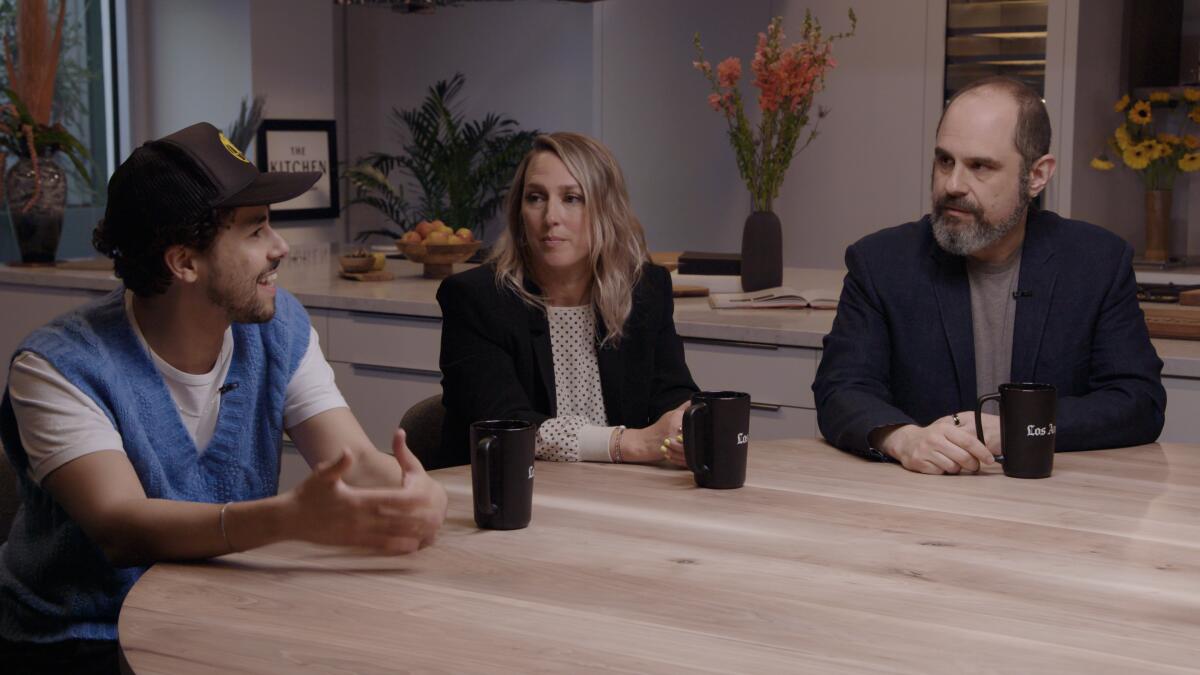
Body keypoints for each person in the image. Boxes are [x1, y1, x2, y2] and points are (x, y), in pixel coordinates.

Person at [0, 123, 447, 672]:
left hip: (220, 616)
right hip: (81, 644)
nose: (281, 248)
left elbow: (348, 462)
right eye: (256, 230)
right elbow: (120, 527)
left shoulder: (276, 327)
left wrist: (411, 492)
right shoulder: (57, 368)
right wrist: (288, 519)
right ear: (184, 262)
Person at [813, 76, 1166, 475]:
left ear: (1037, 176)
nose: (953, 185)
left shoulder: (1097, 262)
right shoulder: (880, 262)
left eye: (980, 166)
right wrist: (902, 438)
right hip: (920, 501)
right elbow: (841, 389)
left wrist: (1019, 430)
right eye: (945, 161)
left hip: (1056, 503)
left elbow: (1138, 401)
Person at [437, 132, 698, 469]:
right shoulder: (476, 298)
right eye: (535, 198)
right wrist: (626, 444)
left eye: (572, 198)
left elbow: (673, 393)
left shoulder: (644, 289)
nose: (550, 217)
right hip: (508, 494)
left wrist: (684, 423)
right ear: (519, 211)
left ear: (606, 209)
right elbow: (506, 424)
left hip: (621, 494)